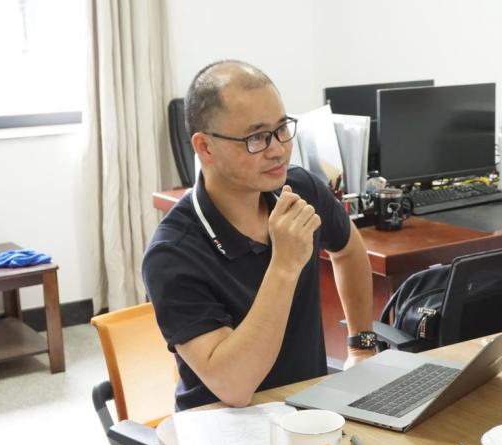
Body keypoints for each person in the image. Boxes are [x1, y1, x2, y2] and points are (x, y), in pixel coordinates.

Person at [142, 60, 376, 411]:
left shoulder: (300, 189)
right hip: (224, 424)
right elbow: (234, 387)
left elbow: (348, 250)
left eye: (282, 129)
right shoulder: (172, 254)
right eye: (256, 138)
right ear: (205, 147)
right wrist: (284, 265)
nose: (277, 149)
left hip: (308, 413)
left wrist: (361, 345)